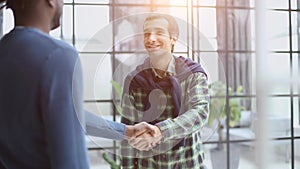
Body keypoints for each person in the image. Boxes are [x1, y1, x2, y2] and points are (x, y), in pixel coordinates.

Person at [0, 1, 158, 169]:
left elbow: (67, 114)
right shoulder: (57, 55)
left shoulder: (5, 49)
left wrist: (126, 131)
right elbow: (72, 162)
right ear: (50, 1)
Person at [120, 13, 209, 169]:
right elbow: (128, 132)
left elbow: (200, 112)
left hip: (188, 163)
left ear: (173, 39)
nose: (151, 38)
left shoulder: (192, 74)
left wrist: (161, 131)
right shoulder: (133, 80)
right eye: (147, 33)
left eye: (159, 33)